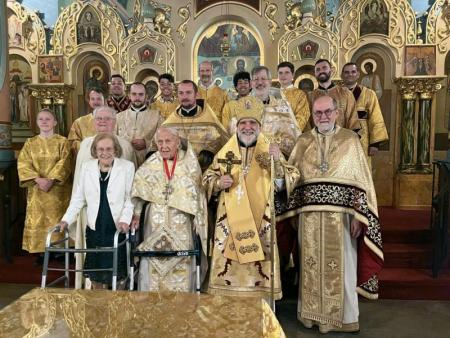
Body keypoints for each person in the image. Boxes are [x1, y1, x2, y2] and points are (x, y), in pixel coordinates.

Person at [286, 95, 383, 333]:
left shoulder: (350, 140)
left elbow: (362, 181)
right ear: (312, 115)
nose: (323, 117)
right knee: (309, 267)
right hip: (309, 219)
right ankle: (312, 317)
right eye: (318, 113)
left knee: (343, 269)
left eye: (328, 112)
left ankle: (345, 318)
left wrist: (360, 216)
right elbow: (292, 179)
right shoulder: (303, 141)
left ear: (337, 112)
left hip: (342, 219)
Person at [203, 99, 299, 299]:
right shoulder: (225, 152)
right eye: (243, 124)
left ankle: (261, 300)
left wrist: (277, 163)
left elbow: (288, 180)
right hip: (229, 220)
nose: (247, 128)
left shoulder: (270, 150)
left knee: (259, 265)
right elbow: (206, 179)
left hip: (260, 220)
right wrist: (219, 183)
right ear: (236, 127)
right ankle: (226, 299)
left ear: (260, 127)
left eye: (252, 124)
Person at [131, 127, 207, 291]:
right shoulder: (150, 164)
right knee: (153, 264)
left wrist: (198, 218)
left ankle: (184, 305)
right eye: (160, 142)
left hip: (181, 222)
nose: (164, 146)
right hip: (154, 223)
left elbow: (199, 196)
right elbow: (137, 191)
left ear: (178, 142)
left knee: (182, 262)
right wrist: (136, 214)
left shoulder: (190, 164)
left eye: (168, 141)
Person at [58, 133, 135, 289]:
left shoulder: (127, 167)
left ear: (116, 150)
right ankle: (99, 303)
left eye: (108, 149)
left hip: (116, 225)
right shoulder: (87, 167)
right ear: (94, 150)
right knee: (95, 270)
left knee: (118, 271)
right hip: (95, 226)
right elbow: (78, 197)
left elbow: (130, 198)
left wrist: (125, 220)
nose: (104, 152)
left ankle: (117, 303)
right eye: (100, 149)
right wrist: (66, 219)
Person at [18, 109, 72, 265]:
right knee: (38, 219)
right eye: (41, 119)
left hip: (58, 190)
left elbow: (65, 162)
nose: (44, 122)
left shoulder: (63, 142)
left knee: (58, 217)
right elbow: (23, 163)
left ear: (55, 122)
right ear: (36, 122)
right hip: (37, 190)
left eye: (48, 119)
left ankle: (60, 250)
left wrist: (52, 179)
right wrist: (38, 179)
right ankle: (41, 251)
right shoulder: (30, 143)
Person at [162, 80, 229, 171]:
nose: (184, 96)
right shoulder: (169, 123)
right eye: (181, 93)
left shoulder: (209, 120)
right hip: (177, 171)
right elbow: (158, 145)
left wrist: (209, 153)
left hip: (204, 170)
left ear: (196, 95)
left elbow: (221, 141)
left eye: (188, 92)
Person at [341, 62, 389, 168]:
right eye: (346, 72)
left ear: (358, 74)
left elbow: (376, 118)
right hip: (341, 139)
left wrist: (374, 144)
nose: (350, 74)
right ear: (342, 75)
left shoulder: (369, 94)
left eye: (353, 72)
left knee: (362, 170)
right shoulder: (337, 94)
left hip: (362, 140)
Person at [251, 66, 300, 157]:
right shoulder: (243, 107)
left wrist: (273, 146)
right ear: (251, 83)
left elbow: (293, 138)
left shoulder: (283, 107)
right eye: (256, 79)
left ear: (270, 82)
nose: (260, 82)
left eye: (263, 78)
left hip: (277, 158)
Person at [116, 82, 164, 165]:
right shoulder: (118, 117)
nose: (137, 97)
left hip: (148, 163)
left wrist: (147, 143)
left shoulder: (157, 116)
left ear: (146, 96)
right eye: (134, 94)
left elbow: (164, 139)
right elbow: (113, 140)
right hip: (123, 163)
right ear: (129, 95)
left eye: (141, 94)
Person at [310, 59, 360, 133]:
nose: (321, 71)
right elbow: (308, 124)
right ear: (315, 73)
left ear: (331, 70)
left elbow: (353, 120)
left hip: (341, 140)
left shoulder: (346, 93)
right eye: (318, 69)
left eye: (324, 68)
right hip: (318, 141)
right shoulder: (310, 96)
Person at [68, 88, 105, 155]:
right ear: (89, 102)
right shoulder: (79, 122)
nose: (96, 102)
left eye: (99, 99)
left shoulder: (113, 121)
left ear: (104, 101)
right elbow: (72, 142)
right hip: (86, 158)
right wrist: (89, 147)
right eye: (93, 99)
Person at [277, 61, 310, 132]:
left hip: (293, 135)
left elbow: (302, 117)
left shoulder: (300, 94)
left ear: (293, 75)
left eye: (286, 72)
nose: (283, 76)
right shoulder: (272, 93)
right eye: (280, 73)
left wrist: (288, 131)